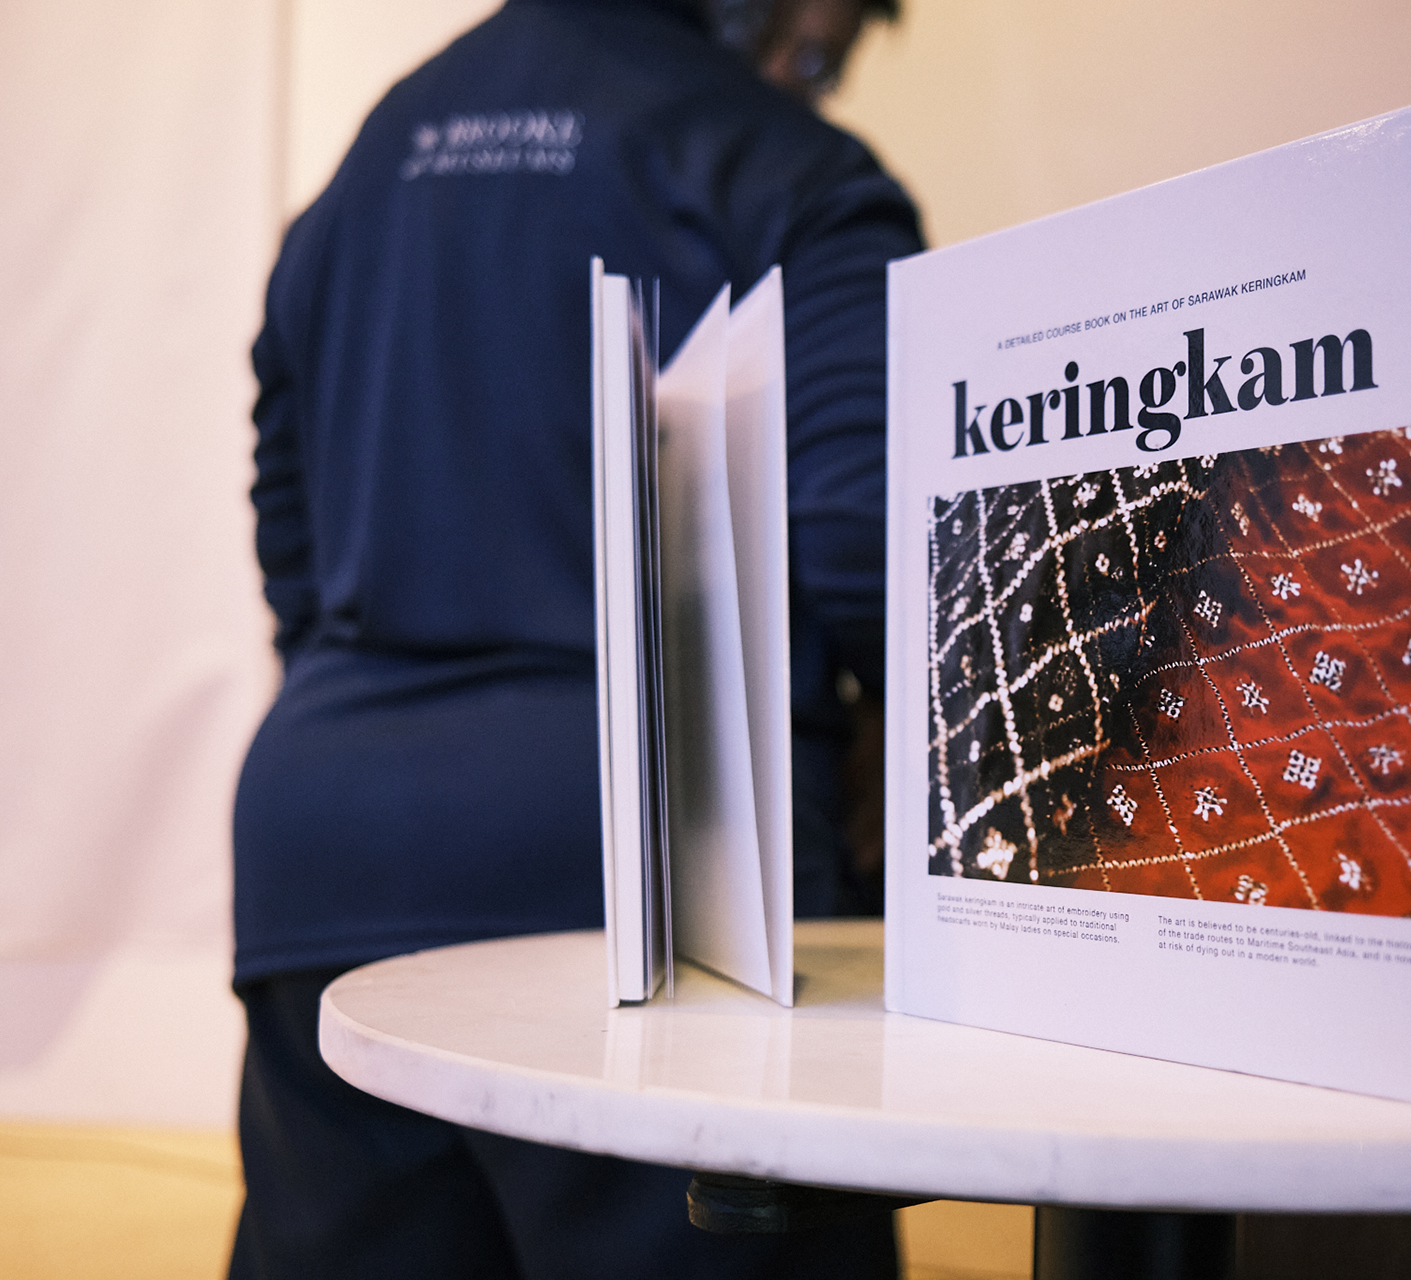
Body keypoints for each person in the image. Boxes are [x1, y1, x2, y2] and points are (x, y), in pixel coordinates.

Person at [228, 1, 921, 1276]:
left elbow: (290, 513)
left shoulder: (376, 147)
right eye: (817, 50)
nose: (808, 82)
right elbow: (866, 537)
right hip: (665, 896)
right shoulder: (783, 166)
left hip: (328, 857)